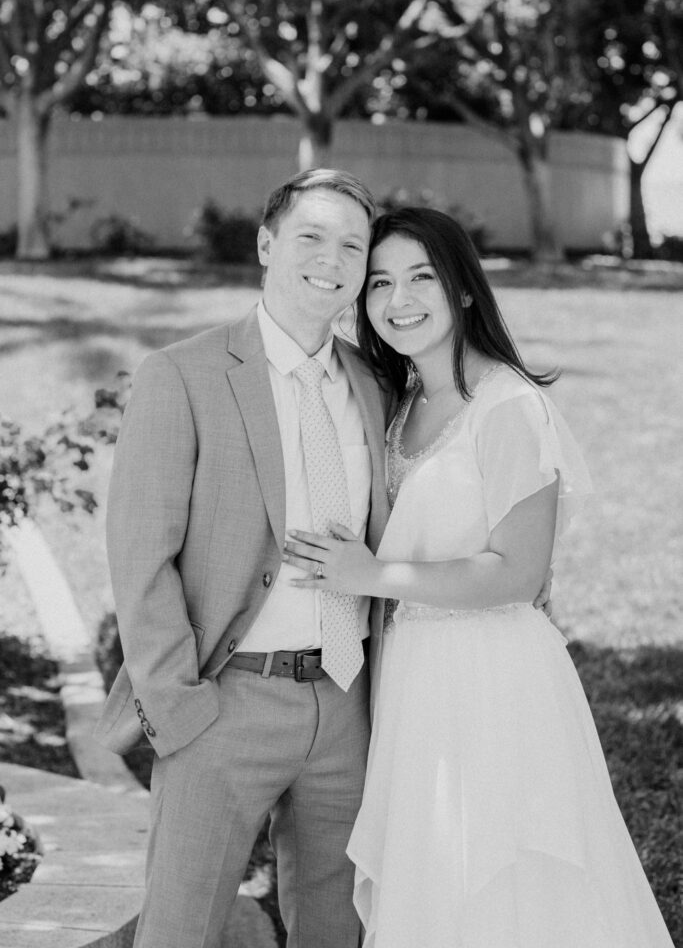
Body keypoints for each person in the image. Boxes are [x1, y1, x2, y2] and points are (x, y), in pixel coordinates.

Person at [283, 207, 675, 948]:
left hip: (492, 675)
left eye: (421, 277)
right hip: (412, 670)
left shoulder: (508, 406)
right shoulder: (400, 405)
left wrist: (371, 574)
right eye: (378, 283)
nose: (399, 299)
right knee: (430, 869)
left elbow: (516, 574)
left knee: (500, 869)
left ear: (463, 288)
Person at [94, 168, 390, 948]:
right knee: (178, 930)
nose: (331, 259)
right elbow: (140, 556)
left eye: (352, 246)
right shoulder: (182, 375)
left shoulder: (375, 385)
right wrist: (180, 709)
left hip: (346, 699)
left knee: (337, 927)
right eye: (311, 237)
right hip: (224, 703)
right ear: (266, 245)